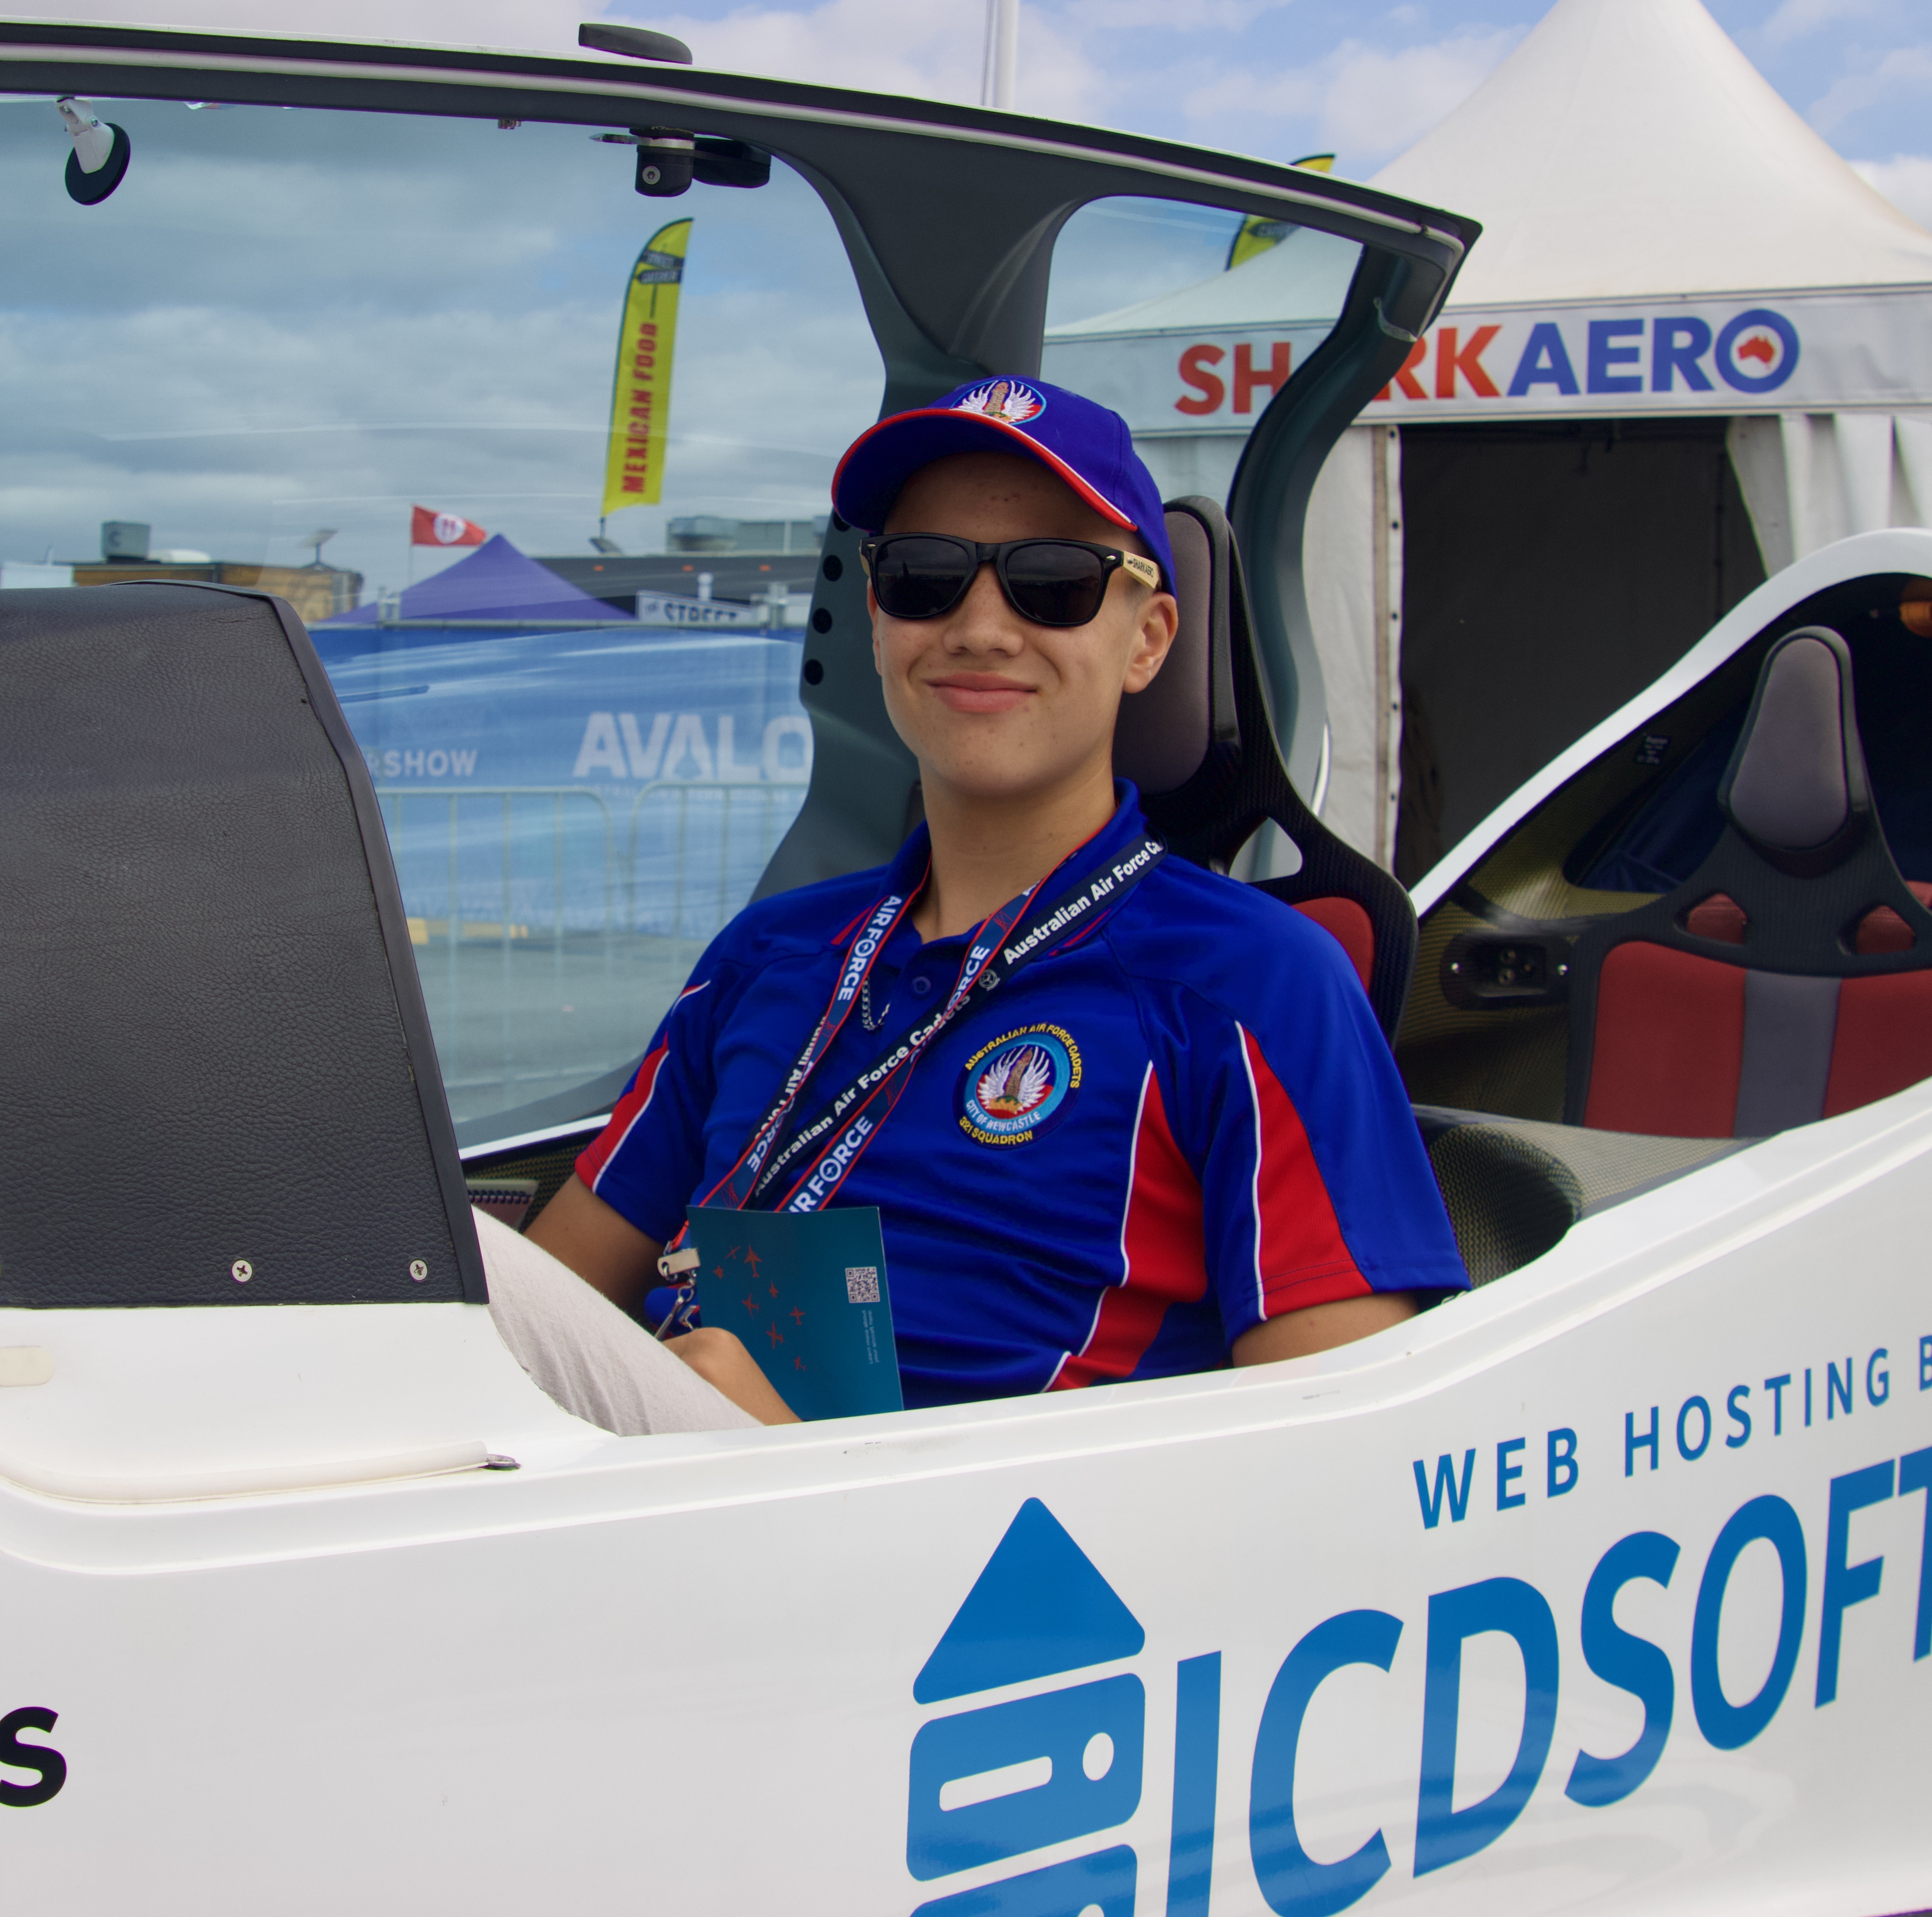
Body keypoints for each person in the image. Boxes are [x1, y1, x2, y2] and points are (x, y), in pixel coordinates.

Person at [500, 374, 1465, 1430]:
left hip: (967, 1560)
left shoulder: (1253, 984)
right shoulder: (767, 956)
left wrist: (785, 1459)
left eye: (1053, 581)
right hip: (635, 1493)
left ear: (1148, 640)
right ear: (878, 620)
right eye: (926, 577)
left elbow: (1339, 1450)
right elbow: (540, 1312)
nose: (982, 626)